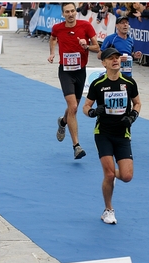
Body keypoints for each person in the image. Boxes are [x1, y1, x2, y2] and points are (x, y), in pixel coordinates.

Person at [82, 47, 141, 224]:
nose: (115, 60)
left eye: (117, 58)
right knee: (108, 175)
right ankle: (108, 210)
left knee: (127, 176)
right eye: (111, 58)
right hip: (103, 133)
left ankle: (111, 175)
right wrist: (92, 112)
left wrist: (133, 116)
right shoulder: (98, 84)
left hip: (123, 134)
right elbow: (85, 107)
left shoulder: (129, 83)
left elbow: (137, 103)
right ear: (104, 63)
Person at [48, 2, 100, 159]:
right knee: (73, 106)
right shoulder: (57, 28)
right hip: (65, 71)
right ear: (63, 14)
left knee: (73, 108)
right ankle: (76, 146)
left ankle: (63, 122)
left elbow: (97, 47)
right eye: (67, 12)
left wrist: (86, 46)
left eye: (72, 11)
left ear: (76, 12)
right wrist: (52, 53)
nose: (70, 14)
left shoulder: (86, 26)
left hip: (80, 71)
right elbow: (52, 39)